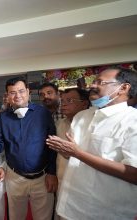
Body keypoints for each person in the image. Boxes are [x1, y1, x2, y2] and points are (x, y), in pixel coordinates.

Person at [47, 67, 137, 220]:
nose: (92, 86)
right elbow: (71, 157)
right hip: (69, 205)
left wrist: (78, 153)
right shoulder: (82, 116)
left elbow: (134, 174)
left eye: (100, 82)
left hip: (103, 211)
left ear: (123, 88)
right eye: (93, 81)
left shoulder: (132, 121)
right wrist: (65, 150)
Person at [0, 77, 57, 220]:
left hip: (42, 178)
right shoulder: (3, 118)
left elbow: (53, 145)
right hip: (15, 178)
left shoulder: (43, 114)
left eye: (21, 91)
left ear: (28, 92)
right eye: (12, 92)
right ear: (7, 95)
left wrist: (52, 172)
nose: (17, 96)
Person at [54, 88, 89, 220]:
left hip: (82, 186)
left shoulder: (91, 126)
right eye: (62, 101)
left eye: (70, 100)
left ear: (84, 104)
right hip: (61, 181)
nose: (64, 104)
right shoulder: (59, 124)